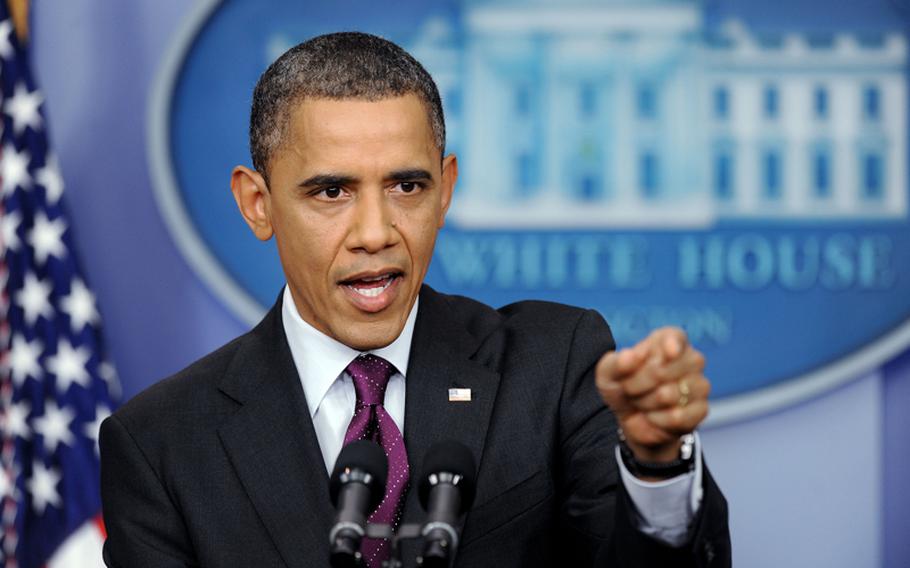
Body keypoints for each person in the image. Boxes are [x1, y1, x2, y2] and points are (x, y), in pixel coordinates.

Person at [100, 32, 730, 567]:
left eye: (406, 185)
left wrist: (656, 468)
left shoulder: (553, 365)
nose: (375, 233)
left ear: (446, 188)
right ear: (257, 205)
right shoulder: (161, 445)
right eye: (331, 192)